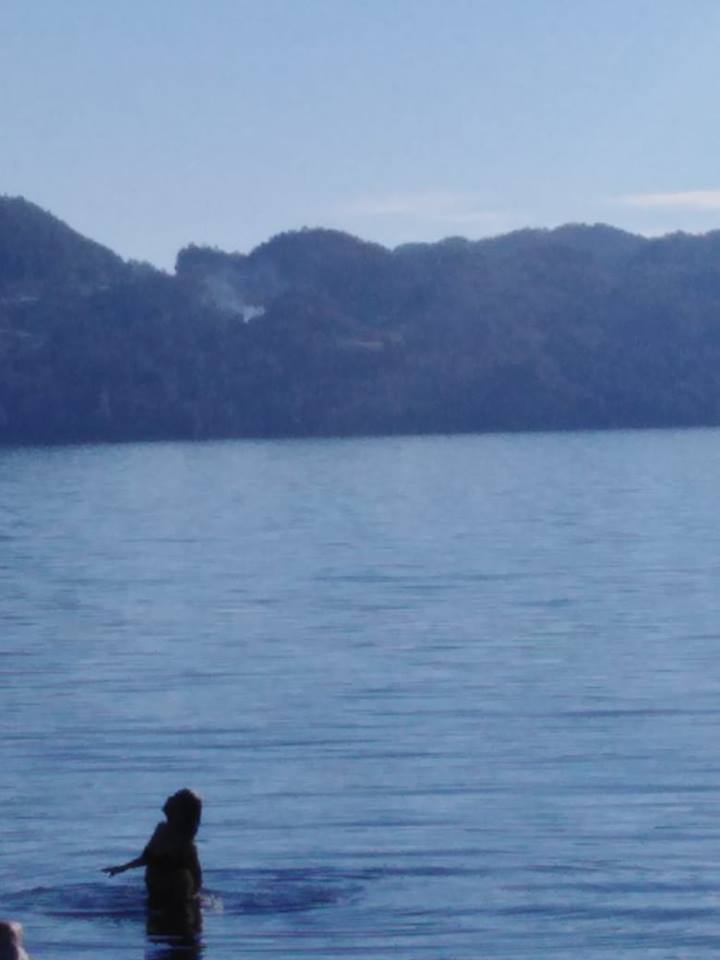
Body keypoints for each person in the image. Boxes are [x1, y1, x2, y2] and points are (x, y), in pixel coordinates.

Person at [102, 789, 203, 918]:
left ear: (182, 813)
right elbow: (146, 858)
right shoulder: (161, 830)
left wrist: (192, 904)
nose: (170, 798)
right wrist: (123, 867)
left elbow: (197, 878)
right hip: (155, 895)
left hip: (175, 903)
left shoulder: (185, 845)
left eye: (175, 798)